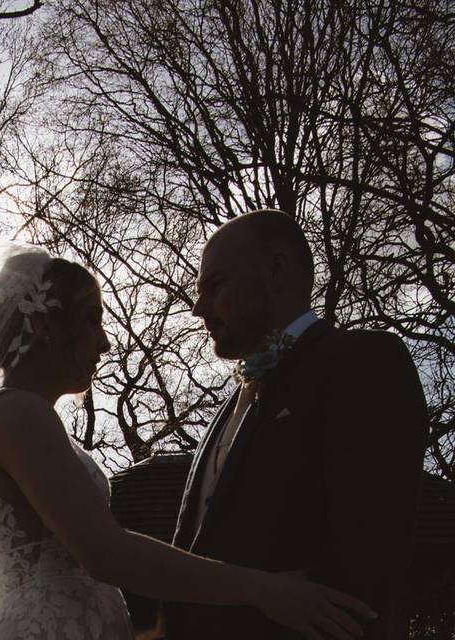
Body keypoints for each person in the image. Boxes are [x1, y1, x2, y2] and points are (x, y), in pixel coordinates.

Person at [0, 248, 376, 640]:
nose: (104, 342)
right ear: (44, 327)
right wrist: (263, 589)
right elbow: (105, 553)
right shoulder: (19, 413)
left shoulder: (5, 419)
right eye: (91, 319)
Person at [162, 210, 429, 639]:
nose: (198, 308)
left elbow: (368, 557)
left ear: (276, 270)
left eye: (215, 286)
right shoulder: (227, 411)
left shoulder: (363, 363)